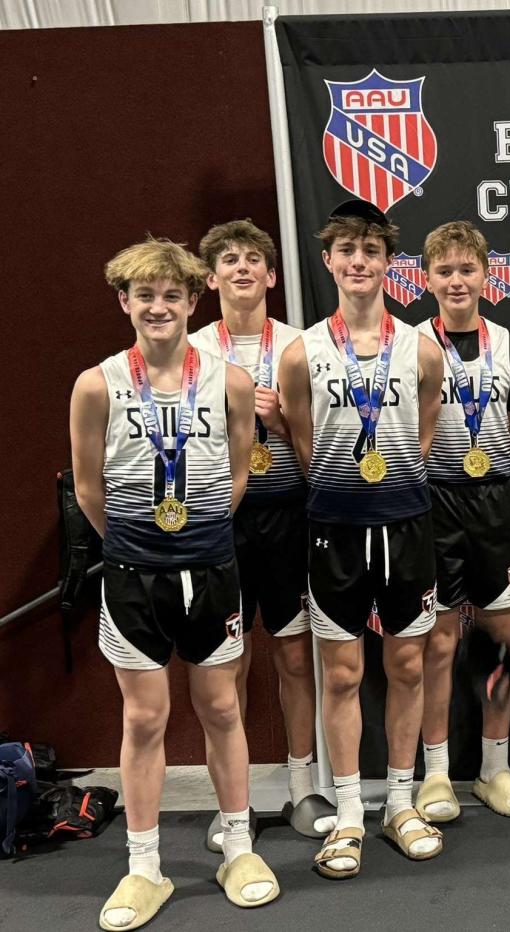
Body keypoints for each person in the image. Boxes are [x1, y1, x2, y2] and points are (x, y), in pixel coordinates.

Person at [70, 237, 278, 930]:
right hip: (134, 574)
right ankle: (144, 866)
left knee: (222, 709)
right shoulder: (97, 383)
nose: (158, 307)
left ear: (194, 302)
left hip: (213, 569)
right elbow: (91, 489)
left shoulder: (229, 381)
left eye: (172, 296)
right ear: (124, 302)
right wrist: (138, 542)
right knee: (144, 717)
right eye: (144, 296)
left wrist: (197, 533)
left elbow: (241, 472)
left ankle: (239, 846)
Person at [279, 199, 445, 878]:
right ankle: (348, 813)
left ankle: (401, 802)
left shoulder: (421, 348)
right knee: (343, 673)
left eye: (370, 251)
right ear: (329, 261)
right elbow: (299, 437)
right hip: (335, 532)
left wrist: (392, 478)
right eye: (345, 250)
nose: (357, 262)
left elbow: (426, 429)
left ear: (387, 263)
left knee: (407, 667)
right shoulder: (302, 351)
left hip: (406, 525)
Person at [189, 220, 324, 847]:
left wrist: (285, 415)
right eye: (227, 261)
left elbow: (326, 451)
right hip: (222, 523)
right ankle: (233, 805)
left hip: (290, 516)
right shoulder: (189, 350)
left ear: (272, 276)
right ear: (210, 278)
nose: (241, 269)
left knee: (295, 654)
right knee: (229, 663)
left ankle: (303, 788)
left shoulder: (302, 346)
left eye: (252, 260)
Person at [414, 221, 510, 821]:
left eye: (467, 270)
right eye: (445, 271)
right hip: (435, 499)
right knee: (438, 640)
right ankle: (435, 773)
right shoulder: (411, 345)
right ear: (426, 278)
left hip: (495, 499)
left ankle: (495, 766)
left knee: (500, 638)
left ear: (487, 275)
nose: (457, 281)